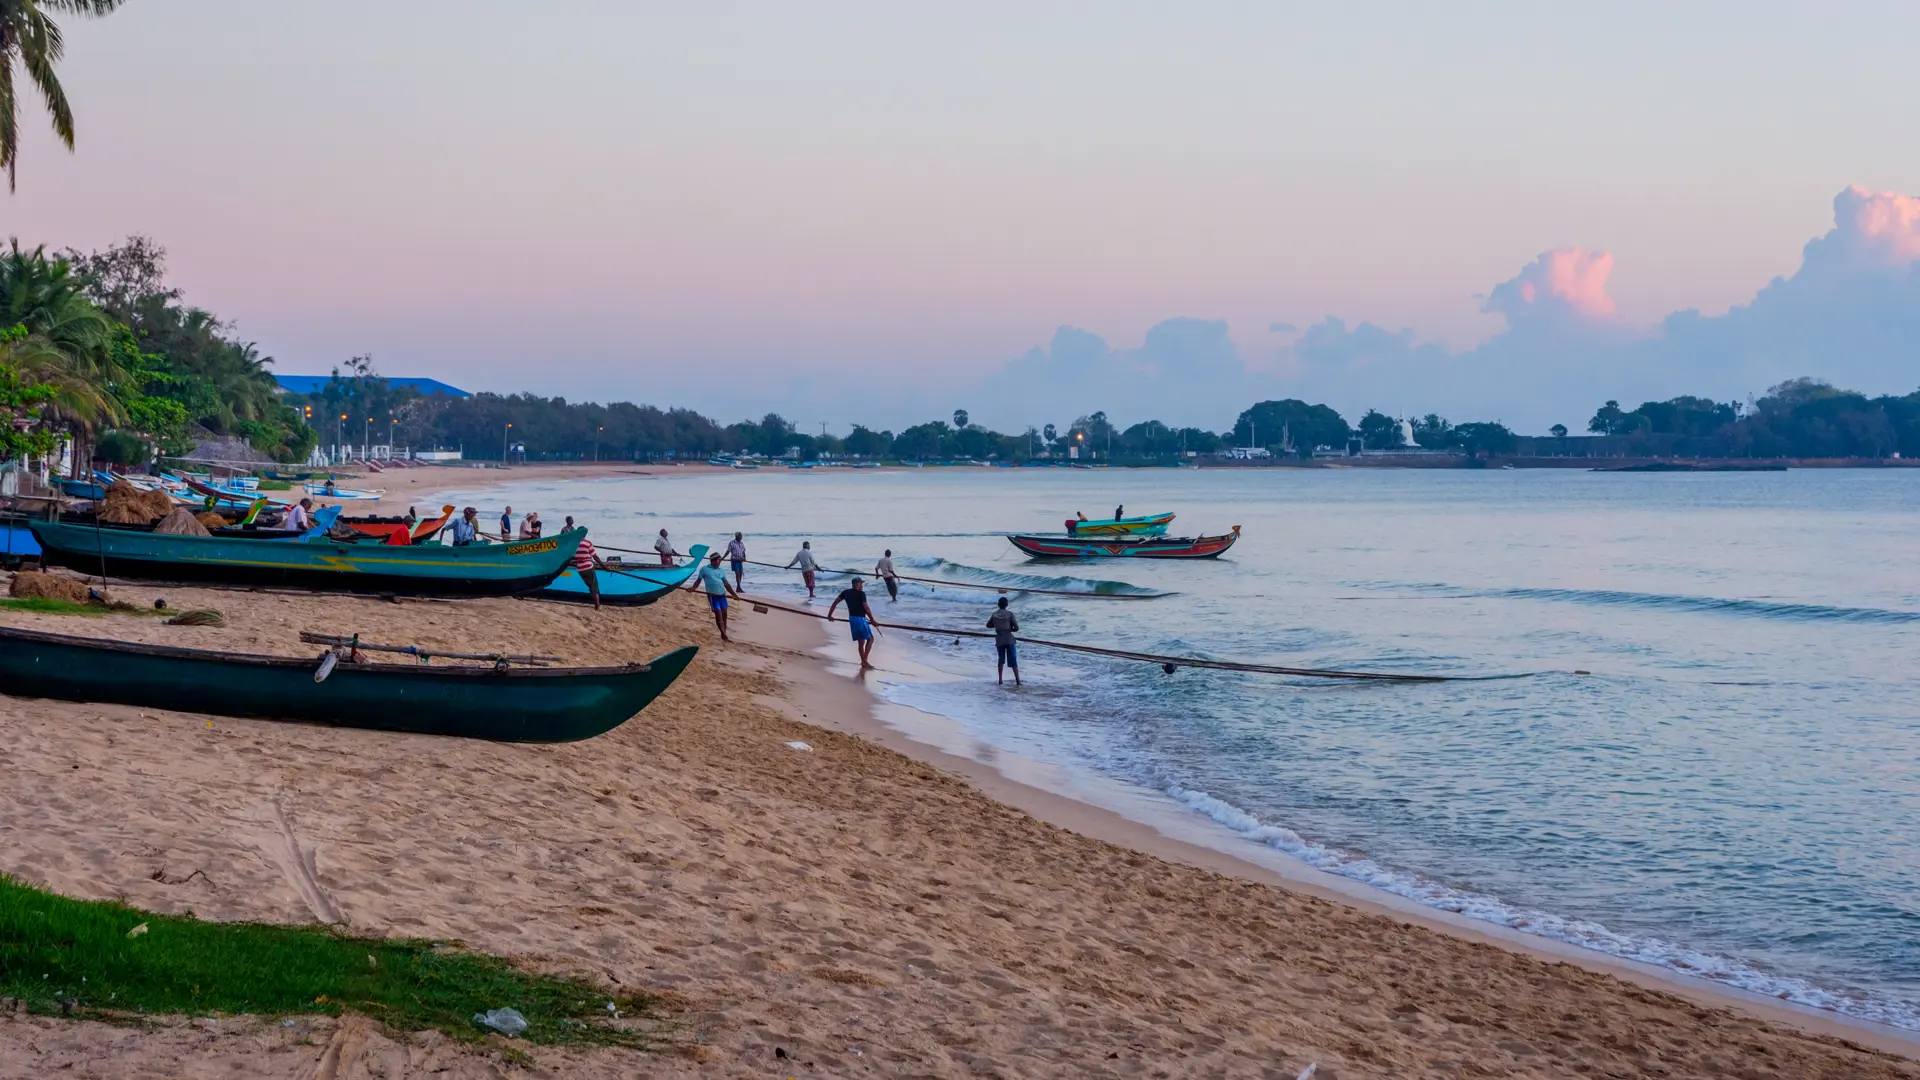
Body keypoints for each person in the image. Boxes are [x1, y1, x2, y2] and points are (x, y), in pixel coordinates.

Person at [685, 550, 741, 641]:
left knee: (724, 614)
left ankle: (724, 633)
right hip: (712, 596)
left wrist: (734, 595)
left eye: (720, 560)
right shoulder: (704, 569)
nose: (719, 562)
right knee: (718, 615)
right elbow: (698, 581)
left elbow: (726, 584)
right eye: (718, 560)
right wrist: (693, 588)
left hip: (722, 595)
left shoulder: (721, 571)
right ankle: (723, 634)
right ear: (713, 561)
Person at [828, 576, 877, 668]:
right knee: (870, 639)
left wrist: (829, 615)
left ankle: (863, 661)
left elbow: (835, 602)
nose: (862, 585)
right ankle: (864, 661)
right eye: (861, 583)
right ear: (857, 584)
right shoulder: (861, 594)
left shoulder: (846, 592)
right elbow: (866, 607)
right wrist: (873, 620)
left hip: (852, 619)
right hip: (860, 619)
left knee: (861, 642)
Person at [986, 596, 1021, 687]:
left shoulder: (994, 614)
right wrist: (1009, 629)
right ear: (1007, 605)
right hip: (1009, 638)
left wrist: (997, 626)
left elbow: (988, 625)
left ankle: (1000, 680)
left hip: (999, 639)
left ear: (998, 605)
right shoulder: (1010, 614)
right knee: (1013, 660)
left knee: (1001, 659)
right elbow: (1016, 628)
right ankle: (1018, 681)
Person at [569, 527, 604, 609]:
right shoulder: (587, 543)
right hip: (588, 566)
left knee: (590, 586)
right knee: (594, 586)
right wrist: (604, 567)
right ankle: (597, 604)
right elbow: (595, 557)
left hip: (580, 569)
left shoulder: (574, 544)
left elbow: (572, 556)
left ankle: (595, 602)